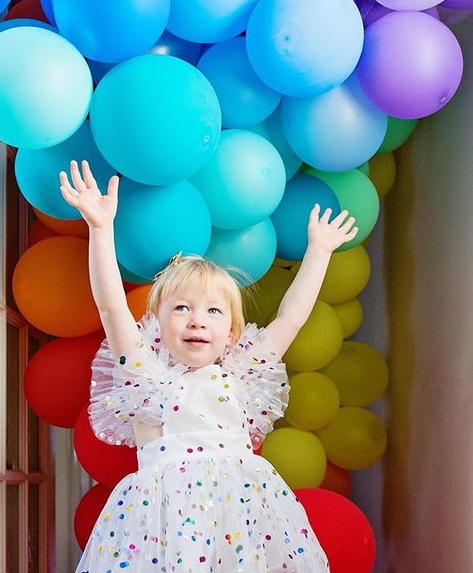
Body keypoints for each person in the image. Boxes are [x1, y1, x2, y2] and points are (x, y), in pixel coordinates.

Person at [60, 159, 358, 573]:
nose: (197, 319)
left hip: (239, 524)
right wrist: (100, 228)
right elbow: (111, 307)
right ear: (157, 326)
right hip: (161, 526)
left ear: (232, 333)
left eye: (213, 311)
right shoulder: (145, 376)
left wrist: (319, 253)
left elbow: (291, 317)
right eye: (181, 308)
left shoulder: (242, 374)